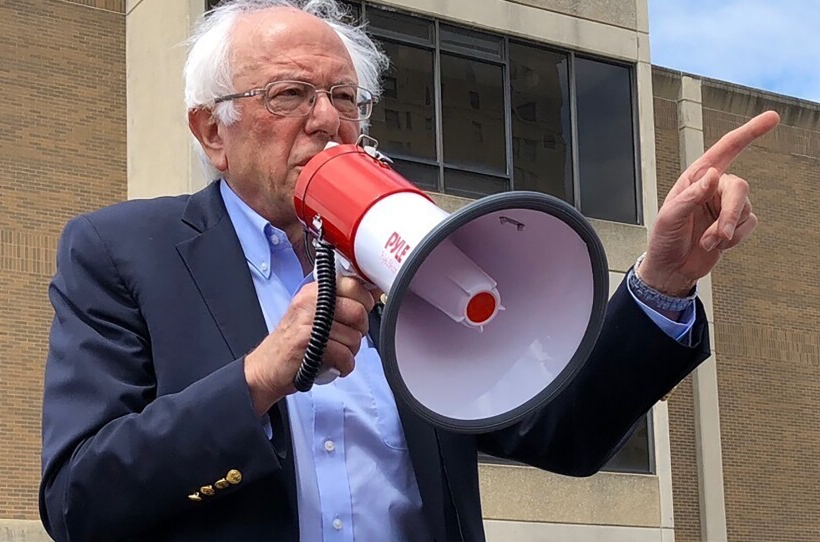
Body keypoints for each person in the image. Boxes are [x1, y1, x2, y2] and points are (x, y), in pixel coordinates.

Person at [38, 1, 778, 541]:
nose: (326, 120)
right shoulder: (123, 252)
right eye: (290, 95)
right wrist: (257, 379)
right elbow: (79, 499)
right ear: (212, 131)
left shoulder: (413, 254)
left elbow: (563, 431)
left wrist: (663, 279)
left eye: (343, 98)